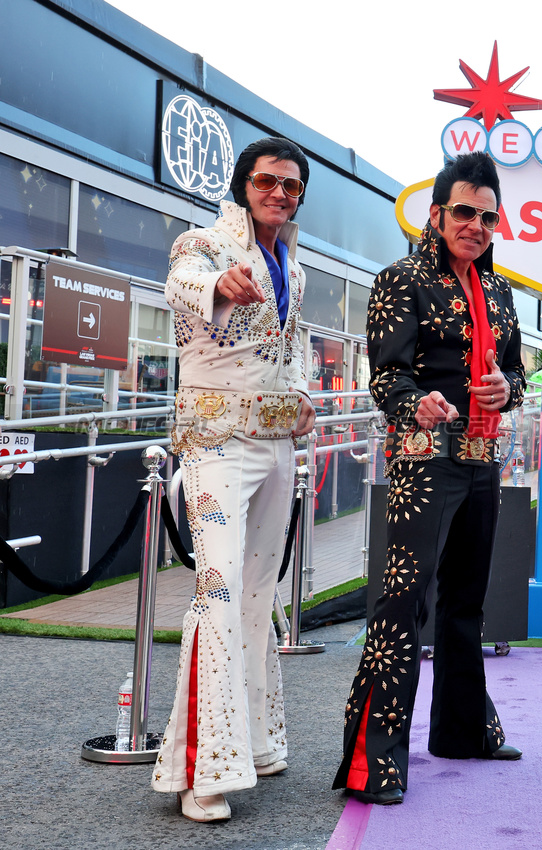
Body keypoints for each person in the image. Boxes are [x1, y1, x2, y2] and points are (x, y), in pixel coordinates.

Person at [332, 152, 526, 806]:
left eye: (487, 216)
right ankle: (374, 759)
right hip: (421, 451)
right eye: (464, 212)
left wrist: (508, 387)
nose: (475, 224)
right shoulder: (400, 280)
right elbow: (385, 377)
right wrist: (417, 402)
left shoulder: (499, 292)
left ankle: (463, 731)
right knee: (403, 601)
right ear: (437, 214)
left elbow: (516, 376)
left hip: (481, 451)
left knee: (467, 600)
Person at [151, 138, 316, 822]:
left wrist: (302, 391)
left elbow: (294, 341)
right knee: (216, 593)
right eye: (268, 181)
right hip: (216, 444)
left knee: (256, 594)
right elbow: (179, 282)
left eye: (291, 186)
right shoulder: (204, 243)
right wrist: (215, 287)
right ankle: (202, 771)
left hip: (277, 445)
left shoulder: (293, 265)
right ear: (243, 184)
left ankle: (253, 740)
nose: (279, 193)